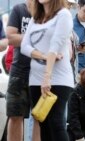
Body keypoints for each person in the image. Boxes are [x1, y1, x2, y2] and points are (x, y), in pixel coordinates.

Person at [20, 0, 74, 140]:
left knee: (56, 123)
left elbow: (55, 46)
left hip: (57, 78)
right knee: (43, 124)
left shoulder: (64, 14)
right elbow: (24, 47)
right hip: (36, 79)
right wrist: (43, 56)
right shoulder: (35, 17)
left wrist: (47, 77)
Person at [5, 0, 40, 141]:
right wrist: (36, 38)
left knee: (39, 117)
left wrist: (23, 38)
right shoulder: (18, 9)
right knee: (15, 116)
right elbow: (11, 38)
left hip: (41, 72)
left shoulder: (47, 11)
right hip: (19, 72)